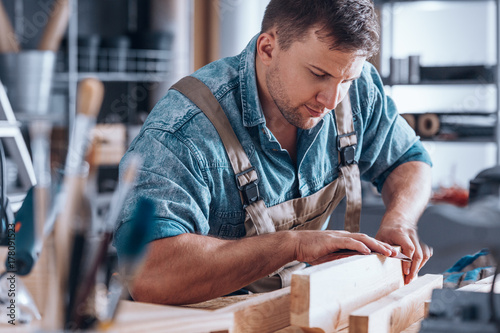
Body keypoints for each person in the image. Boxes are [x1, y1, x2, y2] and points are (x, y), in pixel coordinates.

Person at [114, 0, 433, 306]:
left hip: (294, 311)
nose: (332, 99)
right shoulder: (185, 131)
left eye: (347, 79)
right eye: (318, 74)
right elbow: (149, 275)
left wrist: (400, 220)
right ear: (268, 48)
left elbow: (408, 159)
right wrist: (292, 245)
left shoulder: (352, 87)